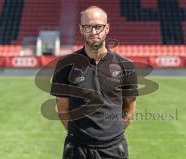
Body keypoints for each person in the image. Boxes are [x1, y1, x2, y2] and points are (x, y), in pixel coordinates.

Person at [50, 6, 139, 159]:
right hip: (77, 149)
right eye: (87, 27)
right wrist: (79, 136)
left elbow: (129, 108)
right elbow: (62, 108)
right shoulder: (65, 65)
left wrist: (111, 135)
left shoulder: (126, 66)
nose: (93, 32)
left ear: (107, 28)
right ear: (80, 29)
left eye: (98, 26)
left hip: (114, 149)